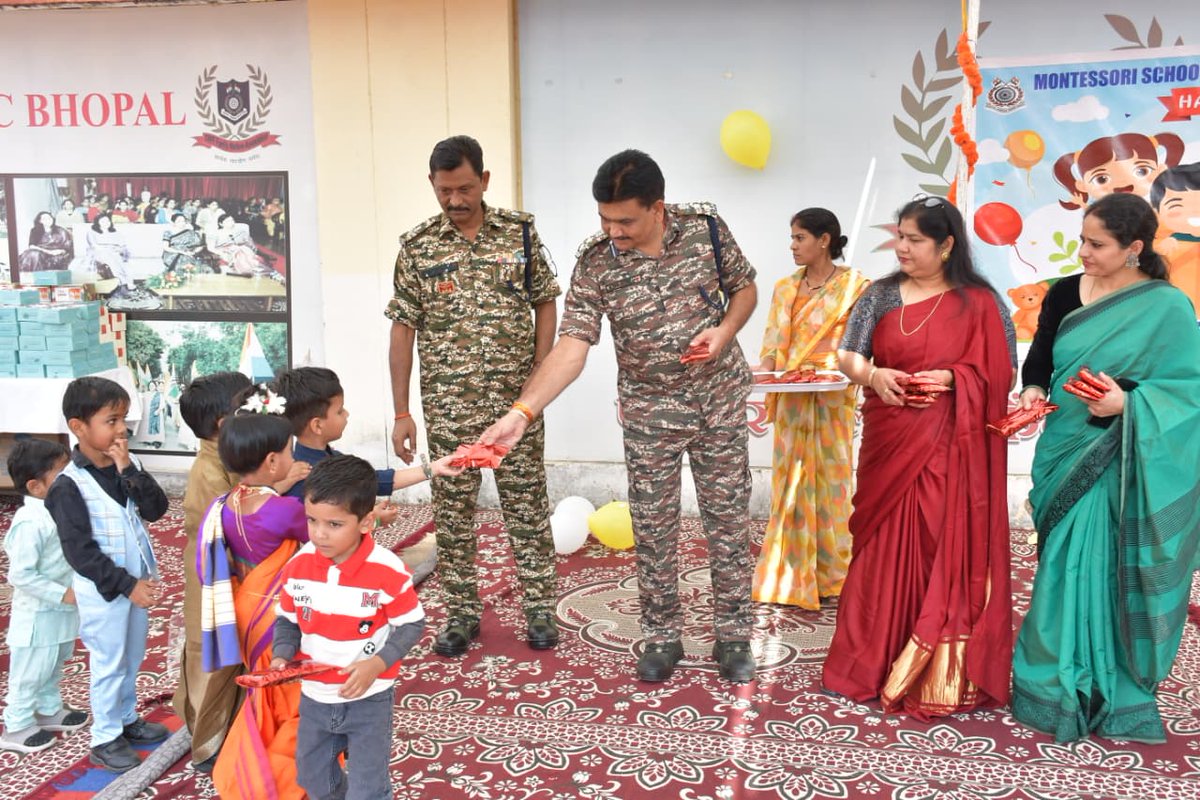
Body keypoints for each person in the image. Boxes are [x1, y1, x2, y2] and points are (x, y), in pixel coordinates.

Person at [479, 149, 760, 683]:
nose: (613, 231)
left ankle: (733, 635)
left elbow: (744, 288)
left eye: (625, 220)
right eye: (605, 219)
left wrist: (724, 332)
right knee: (652, 526)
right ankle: (662, 636)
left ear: (658, 208)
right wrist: (522, 411)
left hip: (719, 401)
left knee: (727, 521)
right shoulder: (596, 262)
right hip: (649, 411)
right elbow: (572, 345)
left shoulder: (706, 230)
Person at [1011, 193, 1200, 743]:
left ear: (1133, 248)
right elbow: (1041, 355)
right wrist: (1032, 390)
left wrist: (1129, 403)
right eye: (1082, 240)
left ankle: (1105, 683)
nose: (1084, 252)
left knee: (1102, 564)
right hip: (1064, 446)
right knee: (1059, 565)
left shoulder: (1167, 307)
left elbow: (1187, 390)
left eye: (1097, 244)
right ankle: (1051, 682)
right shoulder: (1064, 291)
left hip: (1121, 457)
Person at [821, 195, 1016, 719]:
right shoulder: (880, 295)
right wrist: (873, 375)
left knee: (936, 544)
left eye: (914, 240)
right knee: (877, 549)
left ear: (946, 245)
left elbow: (1003, 369)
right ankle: (865, 661)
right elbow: (848, 354)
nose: (902, 248)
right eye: (900, 237)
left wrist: (954, 378)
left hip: (950, 446)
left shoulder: (981, 301)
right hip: (890, 440)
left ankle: (928, 665)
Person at [386, 135, 561, 657]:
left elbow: (545, 301)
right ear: (432, 185)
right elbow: (402, 330)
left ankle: (539, 610)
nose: (455, 200)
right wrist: (401, 411)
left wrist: (539, 376)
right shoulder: (417, 247)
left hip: (516, 407)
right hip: (449, 409)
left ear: (484, 180)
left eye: (464, 188)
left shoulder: (520, 234)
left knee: (527, 509)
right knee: (454, 516)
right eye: (444, 191)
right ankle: (461, 615)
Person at [272, 455, 453, 800]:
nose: (319, 534)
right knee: (312, 777)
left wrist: (376, 664)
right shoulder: (297, 566)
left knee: (368, 788)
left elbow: (412, 623)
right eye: (311, 520)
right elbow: (288, 620)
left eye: (334, 524)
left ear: (366, 522)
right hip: (315, 697)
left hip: (369, 699)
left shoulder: (386, 570)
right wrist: (281, 655)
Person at [45, 376, 170, 773]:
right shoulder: (68, 486)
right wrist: (126, 585)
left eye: (123, 420)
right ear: (78, 427)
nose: (121, 430)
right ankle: (104, 737)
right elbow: (80, 553)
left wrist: (129, 469)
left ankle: (127, 718)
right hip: (106, 590)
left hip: (135, 584)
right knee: (108, 661)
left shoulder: (127, 466)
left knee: (132, 656)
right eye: (111, 421)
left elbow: (156, 510)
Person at [751, 208, 870, 609]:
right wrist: (762, 372)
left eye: (799, 237)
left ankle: (833, 574)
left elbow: (862, 344)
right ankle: (788, 575)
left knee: (832, 481)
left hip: (833, 395)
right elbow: (773, 345)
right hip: (792, 396)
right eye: (792, 237)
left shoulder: (855, 287)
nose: (792, 246)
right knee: (791, 482)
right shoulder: (785, 288)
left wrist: (843, 371)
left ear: (824, 240)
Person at [197, 395, 310, 799]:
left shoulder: (224, 506)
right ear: (273, 461)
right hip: (276, 611)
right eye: (289, 451)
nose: (293, 457)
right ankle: (273, 778)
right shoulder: (284, 510)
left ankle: (253, 766)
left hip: (243, 608)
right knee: (292, 693)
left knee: (263, 691)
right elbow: (326, 534)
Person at [171, 371, 251, 773]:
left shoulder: (231, 456)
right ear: (223, 424)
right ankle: (207, 742)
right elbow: (225, 526)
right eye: (248, 407)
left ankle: (232, 726)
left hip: (233, 571)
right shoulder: (208, 470)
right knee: (212, 653)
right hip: (212, 575)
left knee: (237, 649)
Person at [1, 439, 89, 754]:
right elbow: (21, 574)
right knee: (30, 671)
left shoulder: (58, 511)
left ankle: (49, 708)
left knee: (54, 662)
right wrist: (62, 594)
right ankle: (17, 724)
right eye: (62, 474)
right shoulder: (30, 522)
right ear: (36, 486)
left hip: (62, 609)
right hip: (38, 615)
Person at [271, 367, 387, 502]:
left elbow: (372, 480)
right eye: (339, 411)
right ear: (317, 425)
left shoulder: (331, 457)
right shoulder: (304, 478)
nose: (346, 414)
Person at [1150, 162, 1200, 315]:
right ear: (1158, 211)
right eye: (1176, 206)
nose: (1195, 213)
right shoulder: (1162, 242)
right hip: (1178, 311)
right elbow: (1132, 264)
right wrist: (1159, 245)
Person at [210, 213, 277, 279]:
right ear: (221, 224)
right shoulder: (217, 233)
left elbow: (248, 241)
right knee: (240, 255)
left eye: (232, 220)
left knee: (247, 253)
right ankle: (245, 269)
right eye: (228, 221)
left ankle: (255, 268)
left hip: (241, 248)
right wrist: (221, 253)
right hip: (226, 249)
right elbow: (212, 247)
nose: (231, 223)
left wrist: (252, 249)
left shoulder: (240, 230)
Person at [161, 213, 208, 278]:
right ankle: (177, 278)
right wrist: (181, 252)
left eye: (183, 221)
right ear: (173, 223)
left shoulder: (191, 233)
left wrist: (193, 252)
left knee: (192, 261)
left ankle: (188, 278)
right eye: (179, 221)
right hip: (173, 253)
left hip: (188, 252)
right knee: (182, 259)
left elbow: (200, 246)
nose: (182, 223)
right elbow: (165, 247)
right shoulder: (168, 232)